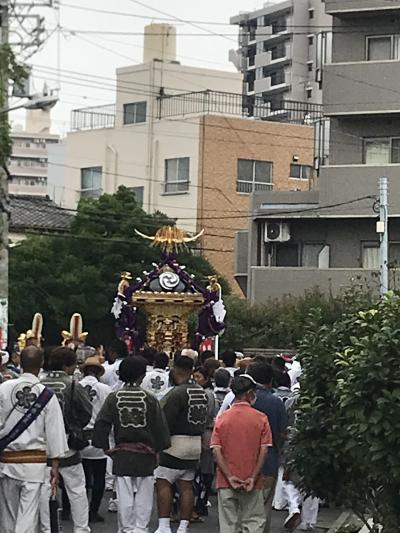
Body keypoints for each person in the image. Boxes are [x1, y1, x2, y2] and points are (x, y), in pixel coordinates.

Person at [93, 355, 171, 533]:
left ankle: (126, 528)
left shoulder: (114, 397)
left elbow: (102, 423)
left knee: (124, 493)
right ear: (141, 376)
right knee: (144, 492)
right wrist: (159, 449)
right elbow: (160, 427)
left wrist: (105, 447)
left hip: (122, 453)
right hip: (146, 452)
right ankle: (140, 528)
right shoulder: (149, 398)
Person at [0, 346, 68, 533]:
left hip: (7, 462)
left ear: (20, 362)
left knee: (8, 514)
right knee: (28, 515)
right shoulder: (47, 395)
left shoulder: (3, 389)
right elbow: (55, 432)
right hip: (35, 465)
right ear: (42, 364)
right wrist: (55, 465)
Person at [40, 346, 93, 533]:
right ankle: (81, 528)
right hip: (68, 442)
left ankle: (48, 529)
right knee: (77, 489)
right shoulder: (72, 385)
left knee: (45, 489)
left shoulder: (39, 384)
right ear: (67, 366)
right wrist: (75, 426)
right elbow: (87, 411)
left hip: (42, 443)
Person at [211, 374, 272, 533]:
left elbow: (216, 450)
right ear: (249, 394)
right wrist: (253, 476)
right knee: (253, 522)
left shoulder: (222, 419)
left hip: (226, 480)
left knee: (228, 524)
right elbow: (264, 449)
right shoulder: (261, 418)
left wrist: (229, 475)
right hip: (252, 480)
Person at [154, 356, 209, 533]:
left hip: (175, 444)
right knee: (186, 486)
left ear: (175, 369)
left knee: (164, 483)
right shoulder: (201, 391)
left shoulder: (177, 393)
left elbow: (165, 422)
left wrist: (158, 445)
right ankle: (183, 526)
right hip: (195, 444)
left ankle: (164, 525)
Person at [246, 362, 288, 533]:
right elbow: (282, 433)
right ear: (271, 380)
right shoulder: (275, 402)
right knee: (263, 505)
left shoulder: (242, 399)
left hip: (242, 459)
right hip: (268, 460)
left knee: (243, 503)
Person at [79, 356, 112, 523]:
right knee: (99, 477)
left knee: (80, 477)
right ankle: (93, 511)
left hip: (79, 437)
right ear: (99, 372)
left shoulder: (76, 386)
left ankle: (78, 509)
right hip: (98, 437)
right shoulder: (105, 389)